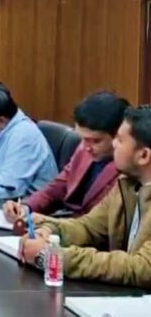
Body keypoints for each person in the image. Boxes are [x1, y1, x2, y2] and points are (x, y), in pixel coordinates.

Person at [20, 105, 151, 287]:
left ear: (143, 155)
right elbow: (89, 227)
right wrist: (50, 231)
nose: (114, 144)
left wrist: (52, 255)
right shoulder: (127, 183)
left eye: (120, 140)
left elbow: (143, 267)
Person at [3, 92, 129, 223]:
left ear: (119, 136)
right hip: (63, 223)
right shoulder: (84, 149)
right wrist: (26, 207)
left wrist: (51, 224)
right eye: (83, 139)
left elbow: (103, 223)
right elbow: (58, 187)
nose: (86, 147)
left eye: (96, 141)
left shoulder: (128, 167)